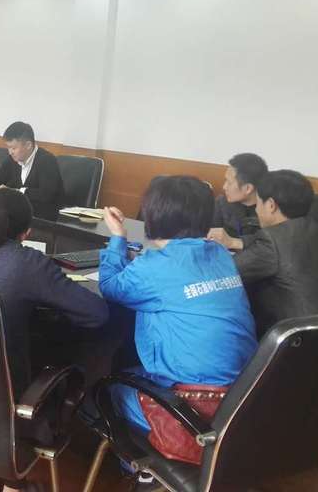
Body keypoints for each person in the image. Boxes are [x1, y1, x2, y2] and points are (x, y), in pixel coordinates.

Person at [0, 188, 110, 492]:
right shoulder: (27, 263)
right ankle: (13, 483)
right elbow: (97, 314)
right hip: (6, 398)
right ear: (26, 233)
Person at [99, 176, 257, 452]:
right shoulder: (219, 253)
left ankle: (138, 468)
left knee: (105, 389)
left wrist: (117, 237)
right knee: (132, 368)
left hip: (195, 411)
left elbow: (111, 287)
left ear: (152, 215)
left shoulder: (156, 266)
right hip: (245, 400)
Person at [227, 170, 318, 336]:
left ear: (271, 205)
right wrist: (235, 242)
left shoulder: (272, 242)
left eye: (258, 203)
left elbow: (224, 272)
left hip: (295, 338)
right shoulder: (312, 226)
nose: (257, 210)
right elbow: (270, 244)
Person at [0, 121, 65, 221]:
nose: (10, 152)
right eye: (8, 147)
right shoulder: (12, 159)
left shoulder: (47, 160)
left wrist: (15, 192)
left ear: (28, 145)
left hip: (45, 218)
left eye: (13, 148)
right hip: (20, 214)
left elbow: (47, 194)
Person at [207, 153, 268, 246]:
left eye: (229, 182)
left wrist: (233, 242)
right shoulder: (222, 203)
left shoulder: (270, 211)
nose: (224, 187)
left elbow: (271, 246)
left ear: (248, 188)